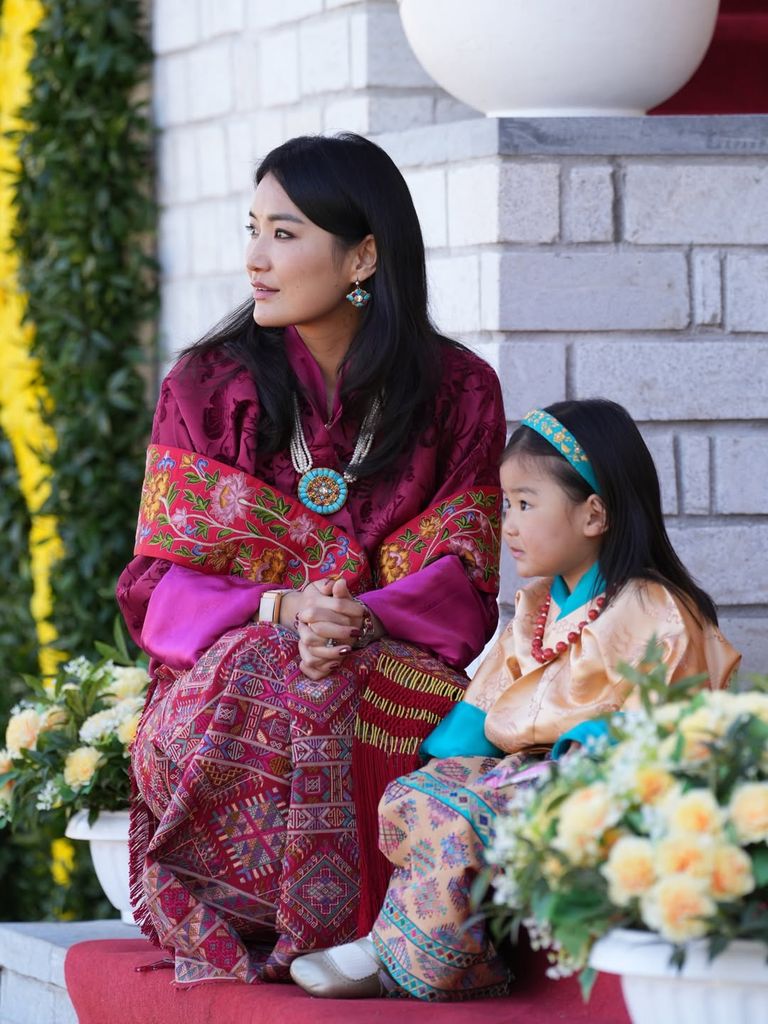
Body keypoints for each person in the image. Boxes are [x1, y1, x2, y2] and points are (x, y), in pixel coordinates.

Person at [116, 133, 506, 985]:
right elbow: (156, 589)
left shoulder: (461, 390)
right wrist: (285, 611)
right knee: (277, 668)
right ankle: (306, 925)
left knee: (351, 684)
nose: (256, 258)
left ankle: (368, 935)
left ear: (364, 253)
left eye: (284, 234)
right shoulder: (206, 387)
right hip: (229, 673)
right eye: (251, 228)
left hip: (391, 662)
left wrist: (360, 616)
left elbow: (468, 587)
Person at [289, 398, 741, 1002]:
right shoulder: (534, 608)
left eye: (526, 504)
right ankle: (456, 957)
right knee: (419, 794)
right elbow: (486, 703)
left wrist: (575, 758)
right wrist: (444, 763)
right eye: (507, 505)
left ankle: (398, 960)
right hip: (520, 772)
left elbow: (671, 726)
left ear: (594, 515)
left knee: (467, 814)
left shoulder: (653, 610)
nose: (508, 525)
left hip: (598, 778)